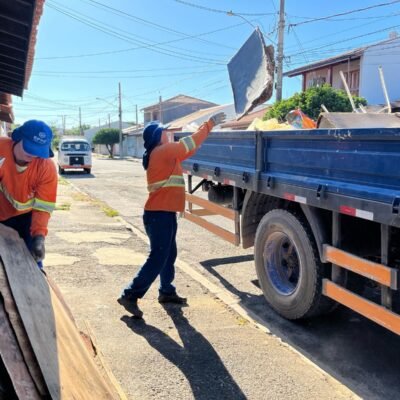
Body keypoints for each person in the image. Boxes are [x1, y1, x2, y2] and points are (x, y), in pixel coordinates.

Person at [119, 112, 226, 318]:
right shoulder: (162, 151)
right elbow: (190, 142)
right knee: (158, 257)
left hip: (163, 214)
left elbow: (191, 148)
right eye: (163, 132)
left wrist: (203, 134)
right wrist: (210, 124)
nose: (167, 134)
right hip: (159, 215)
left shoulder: (163, 153)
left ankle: (166, 291)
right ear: (158, 136)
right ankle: (130, 295)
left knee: (169, 254)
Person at [0, 120, 57, 268]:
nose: (33, 155)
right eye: (29, 148)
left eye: (38, 151)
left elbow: (43, 207)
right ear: (18, 137)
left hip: (27, 218)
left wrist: (39, 237)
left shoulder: (46, 167)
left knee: (33, 263)